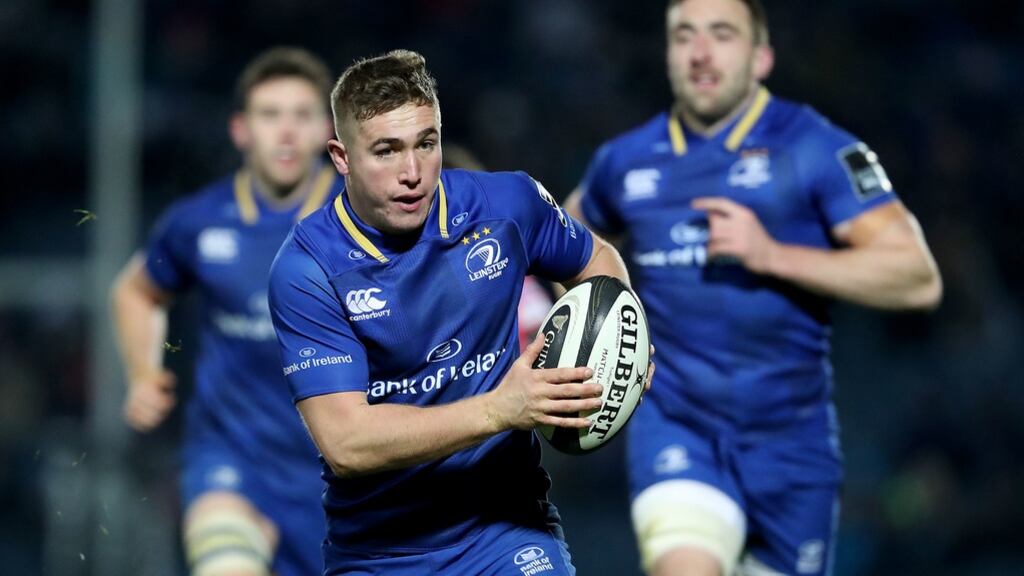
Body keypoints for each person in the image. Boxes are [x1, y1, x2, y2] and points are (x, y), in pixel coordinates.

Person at [564, 1, 943, 575]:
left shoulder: (815, 147)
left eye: (722, 34)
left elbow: (917, 277)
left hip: (792, 447)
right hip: (678, 426)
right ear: (668, 55)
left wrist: (773, 254)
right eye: (683, 36)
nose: (700, 52)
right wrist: (607, 319)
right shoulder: (624, 161)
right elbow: (563, 242)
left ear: (761, 56)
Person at [267, 49, 640, 575]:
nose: (413, 172)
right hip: (379, 553)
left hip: (505, 530)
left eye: (427, 143)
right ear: (341, 156)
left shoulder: (507, 206)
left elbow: (596, 258)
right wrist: (500, 409)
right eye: (386, 151)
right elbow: (346, 443)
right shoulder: (307, 270)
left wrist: (625, 333)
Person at [111, 47, 339, 576]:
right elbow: (136, 291)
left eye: (301, 115)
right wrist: (142, 372)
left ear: (327, 131)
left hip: (341, 481)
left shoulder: (365, 223)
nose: (286, 131)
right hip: (232, 462)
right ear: (241, 130)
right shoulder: (197, 221)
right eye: (269, 114)